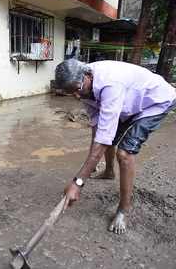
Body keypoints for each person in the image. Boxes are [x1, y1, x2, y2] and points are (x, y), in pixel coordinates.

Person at [56, 59, 176, 235]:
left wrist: (78, 182)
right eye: (70, 92)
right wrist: (88, 166)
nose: (76, 95)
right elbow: (99, 131)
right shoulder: (84, 89)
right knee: (105, 138)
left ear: (87, 76)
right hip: (129, 102)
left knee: (125, 153)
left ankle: (123, 210)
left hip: (155, 101)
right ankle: (109, 172)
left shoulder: (109, 85)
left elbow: (103, 139)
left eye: (77, 89)